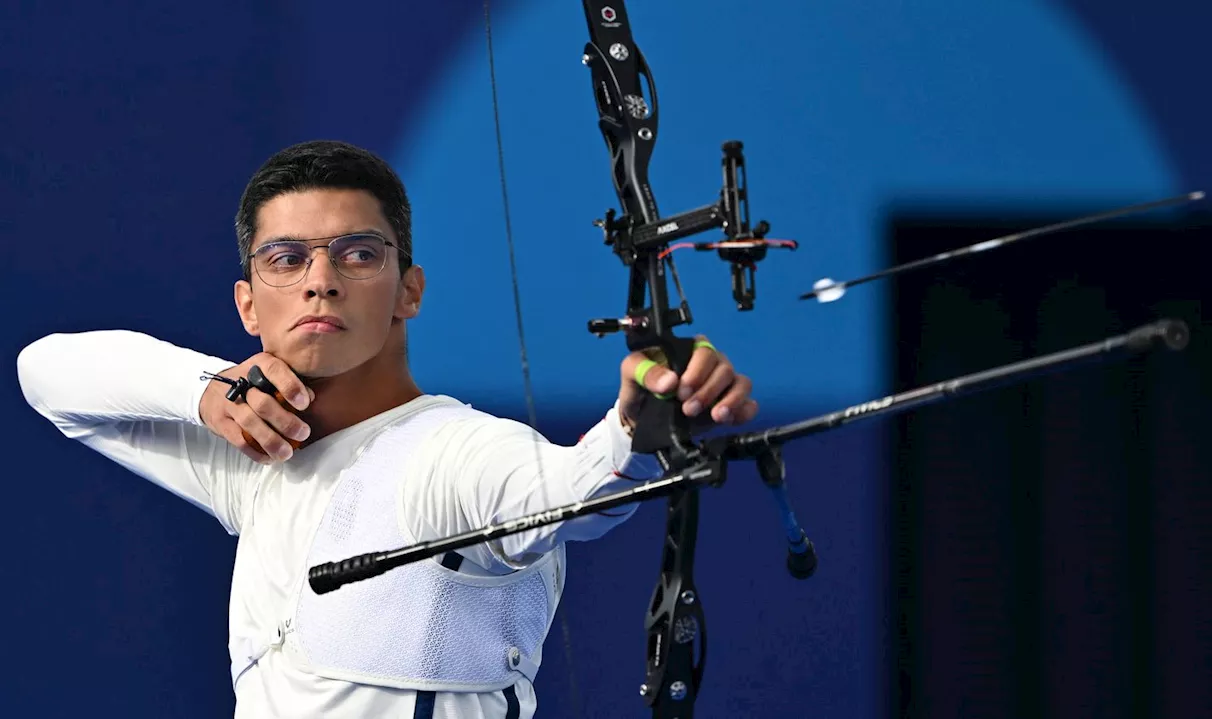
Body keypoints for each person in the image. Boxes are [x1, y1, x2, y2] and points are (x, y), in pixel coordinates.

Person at [16, 140, 759, 718]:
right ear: (248, 304)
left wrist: (641, 417)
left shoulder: (455, 453)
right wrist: (205, 390)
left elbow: (570, 487)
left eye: (358, 253)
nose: (320, 279)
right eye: (287, 258)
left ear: (410, 288)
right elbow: (47, 375)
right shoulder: (254, 460)